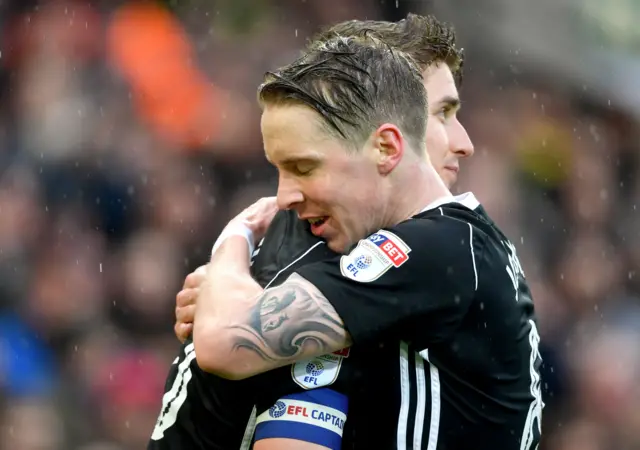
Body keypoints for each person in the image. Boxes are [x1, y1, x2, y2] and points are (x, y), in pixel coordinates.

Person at [191, 34, 542, 450]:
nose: (283, 197)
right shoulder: (454, 246)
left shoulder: (434, 249)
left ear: (386, 146)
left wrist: (234, 243)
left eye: (303, 167)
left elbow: (223, 341)